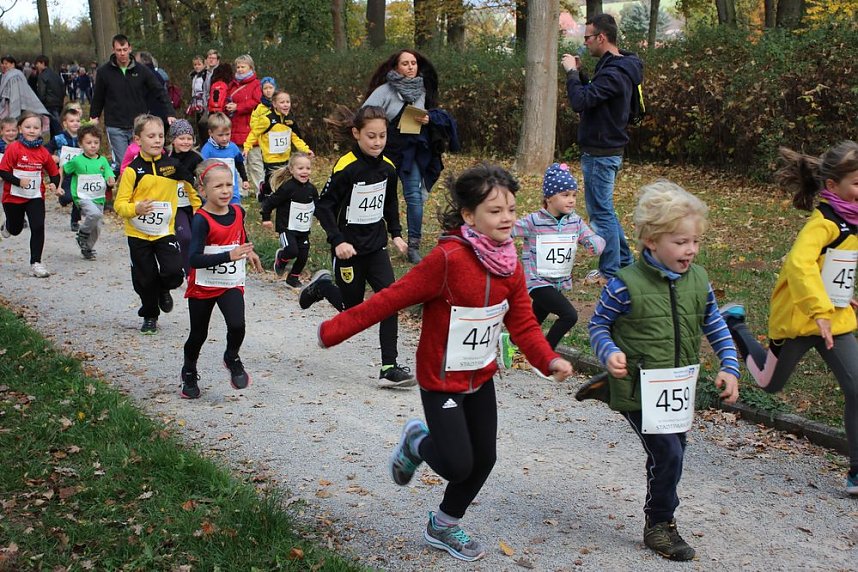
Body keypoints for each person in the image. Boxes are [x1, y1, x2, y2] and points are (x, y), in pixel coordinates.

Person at [318, 163, 574, 562]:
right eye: (495, 210)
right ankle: (418, 441)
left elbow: (523, 321)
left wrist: (549, 359)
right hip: (441, 378)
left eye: (510, 208)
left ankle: (444, 523)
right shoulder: (448, 259)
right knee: (458, 464)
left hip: (480, 375)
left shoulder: (511, 264)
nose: (506, 217)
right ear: (469, 216)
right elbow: (392, 297)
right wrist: (335, 329)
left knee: (484, 459)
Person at [584, 180, 740, 561]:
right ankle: (659, 524)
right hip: (637, 388)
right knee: (668, 452)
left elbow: (715, 324)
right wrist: (609, 353)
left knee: (675, 451)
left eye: (695, 242)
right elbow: (598, 326)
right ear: (651, 240)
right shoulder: (625, 285)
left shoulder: (699, 282)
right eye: (681, 241)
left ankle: (660, 516)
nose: (690, 250)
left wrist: (730, 365)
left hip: (677, 388)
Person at [720, 142, 858, 496]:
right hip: (799, 319)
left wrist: (841, 295)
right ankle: (735, 326)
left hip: (834, 320)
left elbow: (836, 264)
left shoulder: (852, 220)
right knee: (770, 384)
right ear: (833, 187)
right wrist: (818, 308)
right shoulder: (822, 223)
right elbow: (799, 264)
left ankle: (856, 471)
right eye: (857, 183)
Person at [299, 105, 414, 387]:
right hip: (348, 248)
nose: (377, 142)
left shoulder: (388, 167)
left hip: (375, 247)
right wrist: (337, 240)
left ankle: (389, 367)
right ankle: (323, 286)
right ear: (356, 133)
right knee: (353, 311)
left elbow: (390, 203)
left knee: (390, 301)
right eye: (371, 136)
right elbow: (324, 206)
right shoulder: (346, 167)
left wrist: (397, 234)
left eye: (382, 136)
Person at [562, 13, 644, 285]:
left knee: (601, 214)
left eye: (587, 37)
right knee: (604, 211)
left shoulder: (614, 72)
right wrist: (584, 74)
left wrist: (572, 74)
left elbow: (581, 101)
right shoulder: (615, 67)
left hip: (602, 152)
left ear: (601, 37)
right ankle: (625, 263)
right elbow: (596, 96)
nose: (584, 42)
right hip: (604, 149)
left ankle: (610, 271)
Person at [500, 162, 605, 369]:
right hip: (536, 280)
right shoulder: (534, 221)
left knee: (534, 319)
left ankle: (510, 341)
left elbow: (592, 239)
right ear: (549, 198)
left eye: (574, 195)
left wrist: (595, 244)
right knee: (569, 315)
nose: (572, 200)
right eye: (565, 195)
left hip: (557, 281)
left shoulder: (574, 222)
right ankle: (545, 358)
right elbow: (508, 231)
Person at [181, 159, 263, 399]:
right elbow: (194, 259)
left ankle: (232, 356)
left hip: (230, 283)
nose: (226, 190)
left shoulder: (238, 211)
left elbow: (240, 236)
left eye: (229, 184)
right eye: (218, 186)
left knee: (237, 325)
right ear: (202, 190)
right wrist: (229, 255)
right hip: (204, 285)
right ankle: (189, 370)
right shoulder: (201, 220)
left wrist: (249, 251)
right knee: (198, 334)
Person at [114, 114, 199, 334]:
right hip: (138, 234)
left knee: (174, 273)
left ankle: (163, 289)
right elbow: (119, 205)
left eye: (161, 136)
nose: (157, 140)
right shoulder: (133, 170)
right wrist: (136, 209)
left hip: (164, 231)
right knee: (144, 279)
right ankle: (150, 315)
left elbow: (192, 189)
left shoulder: (173, 166)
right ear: (137, 140)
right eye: (151, 136)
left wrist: (199, 212)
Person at [363, 49, 439, 264]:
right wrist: (380, 126)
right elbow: (364, 114)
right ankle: (376, 239)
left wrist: (428, 119)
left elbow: (428, 114)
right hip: (385, 151)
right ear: (396, 67)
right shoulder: (385, 91)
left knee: (414, 196)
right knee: (381, 194)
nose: (410, 67)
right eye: (405, 63)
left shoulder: (422, 90)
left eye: (413, 63)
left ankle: (413, 245)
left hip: (411, 151)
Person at [89, 34, 176, 170]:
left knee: (142, 161)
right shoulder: (104, 72)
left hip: (138, 125)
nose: (122, 53)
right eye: (119, 50)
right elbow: (98, 97)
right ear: (113, 50)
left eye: (124, 49)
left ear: (130, 48)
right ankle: (127, 189)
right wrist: (94, 117)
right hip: (115, 124)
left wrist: (169, 112)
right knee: (124, 164)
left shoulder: (142, 71)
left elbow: (159, 91)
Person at [0, 111, 62, 277]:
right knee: (16, 229)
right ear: (20, 129)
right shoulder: (14, 148)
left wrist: (54, 184)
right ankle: (7, 226)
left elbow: (54, 172)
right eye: (28, 127)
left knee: (38, 226)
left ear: (41, 130)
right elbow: (3, 171)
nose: (32, 130)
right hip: (13, 197)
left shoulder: (43, 152)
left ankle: (36, 263)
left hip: (35, 196)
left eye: (36, 127)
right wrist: (18, 181)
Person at [244, 90, 312, 202]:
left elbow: (295, 137)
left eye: (288, 102)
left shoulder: (289, 119)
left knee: (285, 181)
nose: (286, 105)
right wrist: (247, 147)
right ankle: (264, 193)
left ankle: (283, 200)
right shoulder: (267, 119)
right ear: (275, 104)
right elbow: (254, 133)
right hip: (270, 159)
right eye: (282, 102)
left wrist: (306, 149)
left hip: (285, 157)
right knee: (271, 183)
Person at [261, 152, 317, 288]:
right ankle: (281, 258)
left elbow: (319, 206)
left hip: (303, 228)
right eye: (300, 168)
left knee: (303, 255)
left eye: (308, 168)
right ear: (291, 170)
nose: (305, 171)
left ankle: (293, 278)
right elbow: (270, 202)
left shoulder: (312, 189)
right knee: (292, 251)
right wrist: (266, 218)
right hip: (287, 227)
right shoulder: (288, 188)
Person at [62, 124, 116, 260]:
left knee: (97, 228)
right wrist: (58, 186)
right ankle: (82, 233)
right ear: (81, 144)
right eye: (89, 142)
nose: (93, 146)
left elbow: (109, 173)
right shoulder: (77, 161)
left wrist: (110, 180)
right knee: (94, 214)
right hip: (82, 196)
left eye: (96, 142)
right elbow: (63, 169)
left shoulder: (103, 160)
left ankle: (87, 248)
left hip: (98, 197)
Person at [168, 119, 204, 276]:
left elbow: (204, 178)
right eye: (181, 138)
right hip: (177, 205)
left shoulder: (197, 159)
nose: (186, 142)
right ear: (173, 140)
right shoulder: (166, 159)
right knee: (185, 237)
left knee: (197, 236)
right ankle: (189, 272)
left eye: (189, 138)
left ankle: (196, 265)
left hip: (195, 203)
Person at [226, 55, 262, 197]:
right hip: (235, 128)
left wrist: (238, 107)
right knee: (239, 162)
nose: (240, 69)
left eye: (243, 66)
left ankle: (261, 190)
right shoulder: (233, 85)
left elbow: (257, 102)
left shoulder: (256, 85)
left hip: (251, 129)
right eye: (238, 67)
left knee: (255, 163)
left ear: (251, 68)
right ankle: (242, 191)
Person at [46, 107, 83, 231]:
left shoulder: (83, 138)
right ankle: (63, 198)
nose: (75, 123)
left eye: (77, 121)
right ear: (65, 123)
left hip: (79, 173)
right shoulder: (59, 138)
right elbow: (46, 150)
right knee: (67, 197)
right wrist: (52, 156)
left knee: (78, 197)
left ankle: (75, 221)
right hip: (64, 173)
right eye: (72, 121)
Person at [200, 112, 248, 205]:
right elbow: (202, 168)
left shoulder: (233, 147)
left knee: (236, 211)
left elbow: (239, 163)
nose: (225, 138)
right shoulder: (207, 149)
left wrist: (244, 179)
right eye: (220, 135)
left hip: (232, 189)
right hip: (214, 190)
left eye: (227, 134)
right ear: (211, 133)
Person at [0, 55, 50, 129]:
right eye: (3, 63)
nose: (4, 65)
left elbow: (17, 91)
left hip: (17, 104)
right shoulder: (7, 75)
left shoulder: (15, 75)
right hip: (9, 103)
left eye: (6, 63)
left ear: (13, 64)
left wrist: (13, 102)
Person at [33, 55, 65, 137]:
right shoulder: (55, 74)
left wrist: (40, 103)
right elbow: (63, 88)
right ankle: (53, 145)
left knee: (57, 127)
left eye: (37, 63)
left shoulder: (42, 76)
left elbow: (41, 92)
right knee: (54, 127)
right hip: (58, 102)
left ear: (42, 63)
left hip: (49, 104)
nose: (36, 66)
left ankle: (63, 144)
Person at [187, 56, 207, 139]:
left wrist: (204, 104)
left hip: (203, 103)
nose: (197, 66)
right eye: (195, 64)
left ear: (204, 64)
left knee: (203, 124)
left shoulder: (205, 75)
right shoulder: (194, 76)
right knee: (198, 123)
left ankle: (205, 141)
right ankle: (200, 141)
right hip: (196, 104)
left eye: (199, 64)